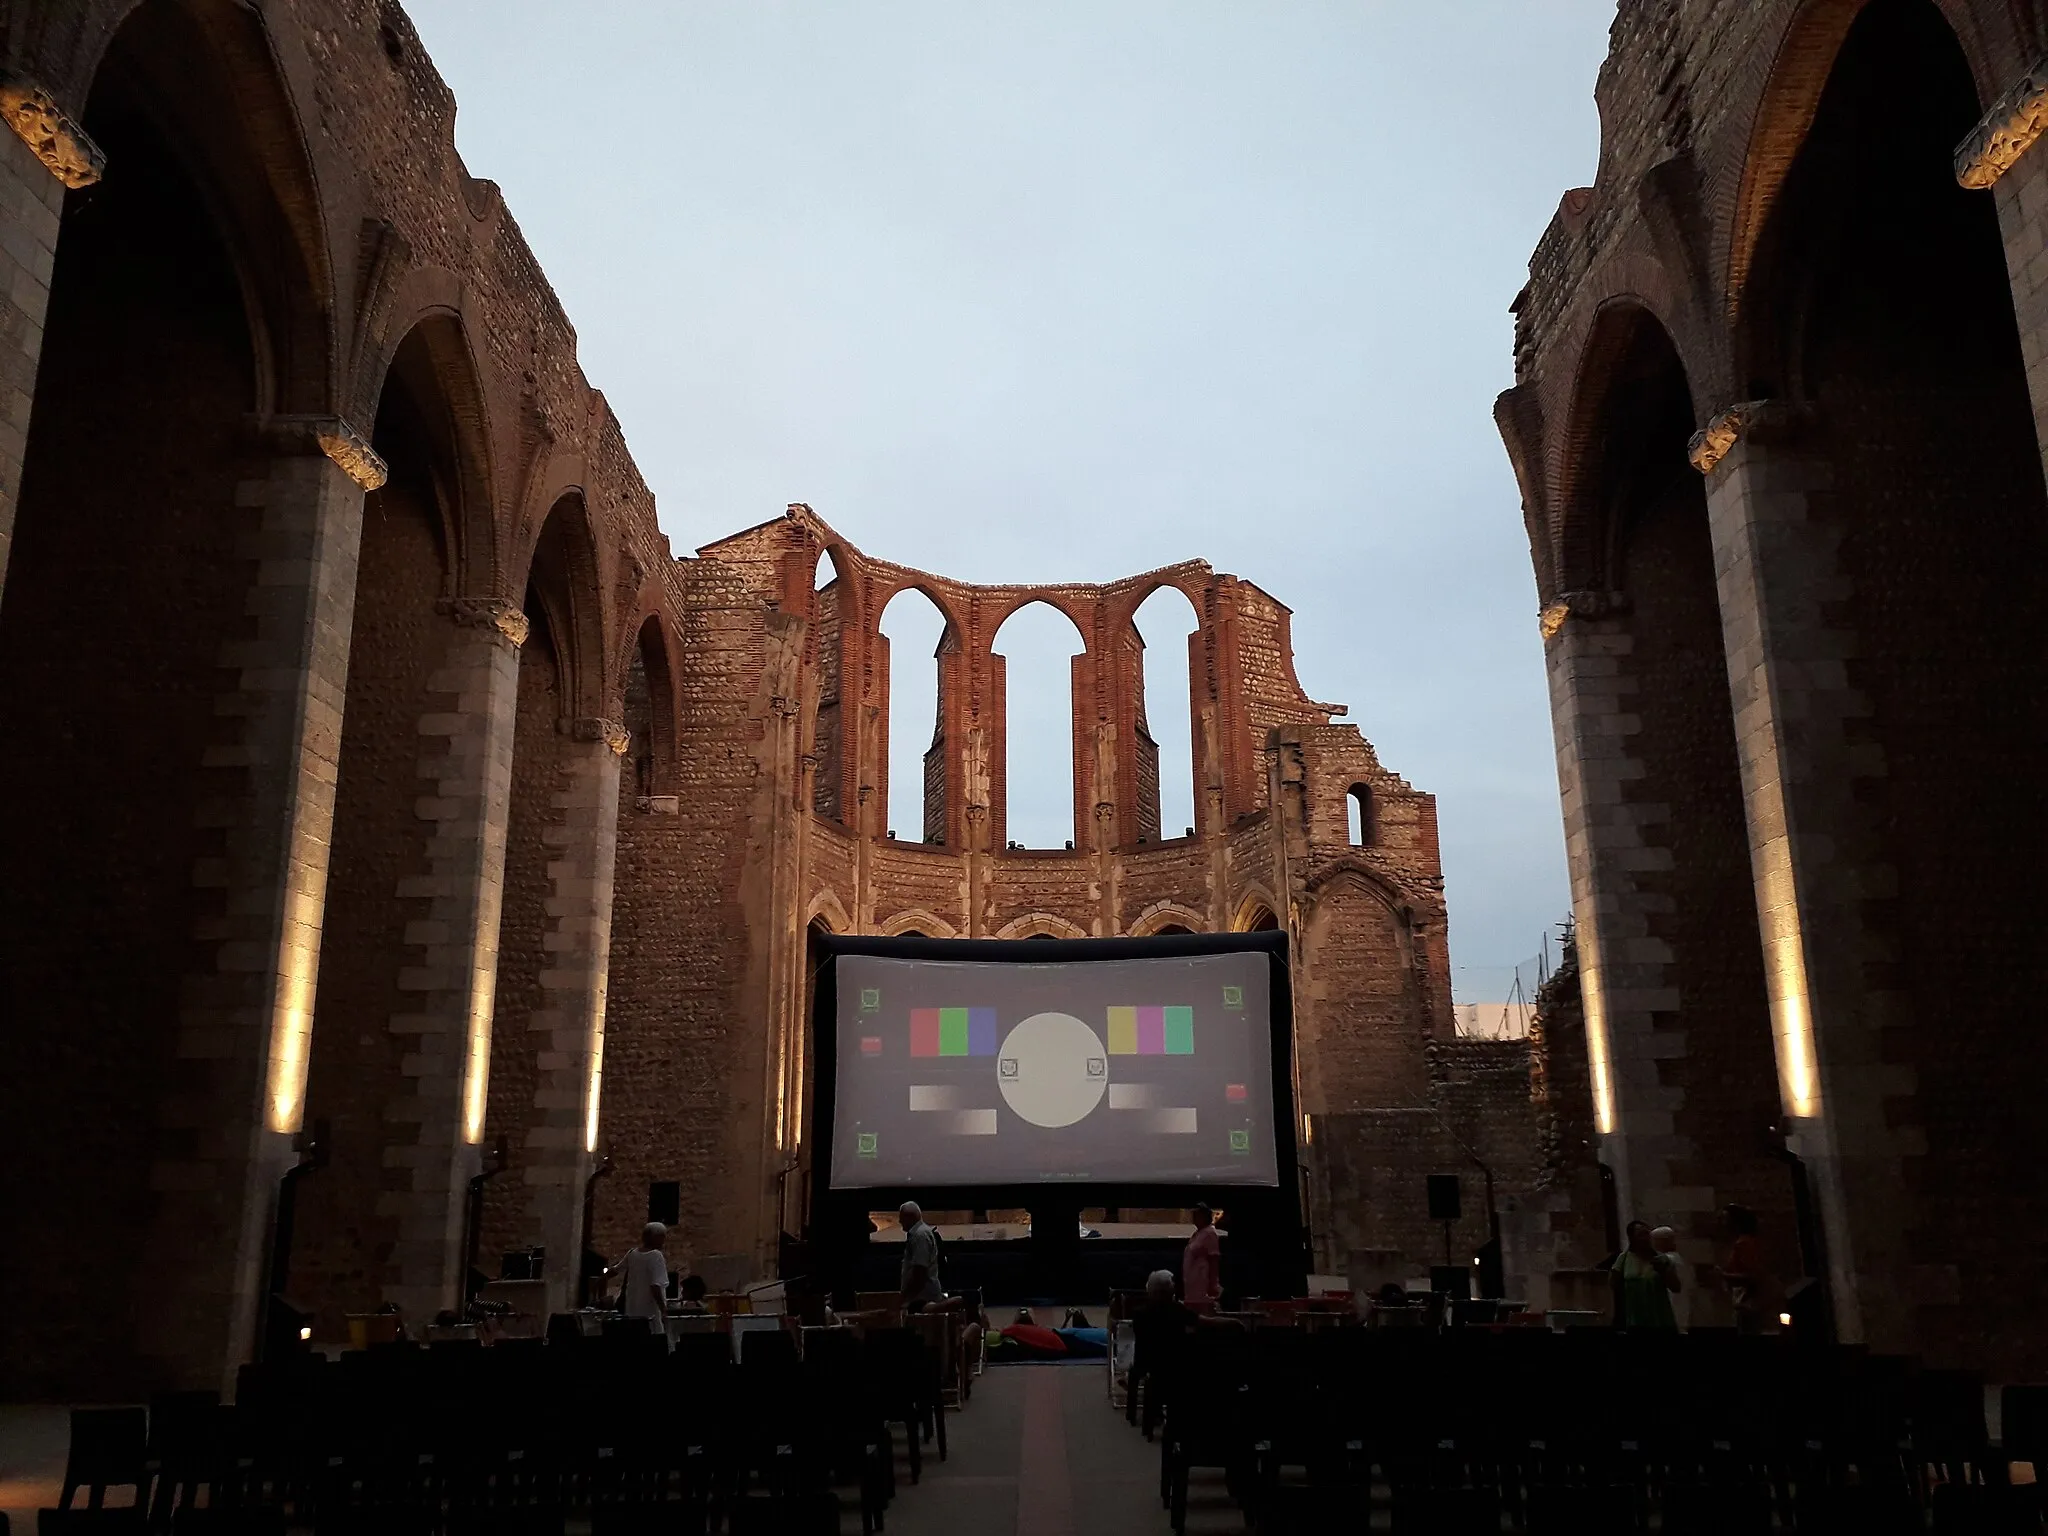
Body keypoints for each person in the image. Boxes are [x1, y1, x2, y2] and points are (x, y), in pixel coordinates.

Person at [1127, 1269, 1196, 1435]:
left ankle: (1149, 1411)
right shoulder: (1178, 1311)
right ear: (1170, 1290)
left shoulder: (1139, 1313)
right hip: (1174, 1365)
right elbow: (1199, 1323)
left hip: (1145, 1363)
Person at [1609, 1219, 1681, 1329]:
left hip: (1660, 1319)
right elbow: (1613, 1285)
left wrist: (1664, 1271)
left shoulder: (1661, 1259)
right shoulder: (1623, 1259)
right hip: (1634, 1319)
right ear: (1632, 1238)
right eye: (1640, 1235)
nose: (1645, 1238)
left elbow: (1676, 1287)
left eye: (1647, 1233)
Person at [1719, 1203, 1775, 1334]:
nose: (1723, 1223)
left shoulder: (1745, 1244)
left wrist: (1722, 1275)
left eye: (1725, 1219)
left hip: (1750, 1304)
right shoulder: (1743, 1243)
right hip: (1746, 1304)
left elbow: (1752, 1276)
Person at [614, 1222, 669, 1327]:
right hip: (649, 1312)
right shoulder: (656, 1256)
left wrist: (599, 1281)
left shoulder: (632, 1253)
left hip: (632, 1309)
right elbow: (655, 1286)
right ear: (655, 1237)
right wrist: (663, 1309)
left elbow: (616, 1269)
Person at [898, 1201, 943, 1312]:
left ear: (910, 1217)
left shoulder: (919, 1236)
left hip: (922, 1298)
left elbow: (920, 1269)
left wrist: (908, 1298)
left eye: (902, 1218)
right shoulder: (921, 1233)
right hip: (922, 1295)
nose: (900, 1221)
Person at [1181, 1203, 1222, 1308]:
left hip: (1202, 1284)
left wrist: (1213, 1285)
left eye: (1197, 1215)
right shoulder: (1197, 1234)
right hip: (1191, 1284)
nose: (1194, 1218)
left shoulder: (1210, 1233)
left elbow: (1214, 1260)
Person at [1651, 1225, 1690, 1329]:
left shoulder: (1666, 1260)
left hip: (1670, 1306)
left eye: (1654, 1241)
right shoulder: (1679, 1259)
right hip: (1681, 1307)